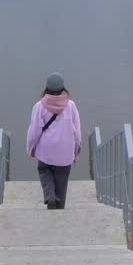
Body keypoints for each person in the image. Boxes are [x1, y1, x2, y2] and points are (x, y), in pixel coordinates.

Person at [26, 72, 82, 210]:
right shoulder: (71, 106)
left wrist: (31, 148)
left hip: (46, 151)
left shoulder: (39, 106)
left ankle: (50, 194)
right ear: (63, 88)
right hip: (65, 153)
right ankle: (59, 208)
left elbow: (33, 132)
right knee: (62, 183)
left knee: (44, 171)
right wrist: (76, 151)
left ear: (47, 88)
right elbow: (77, 133)